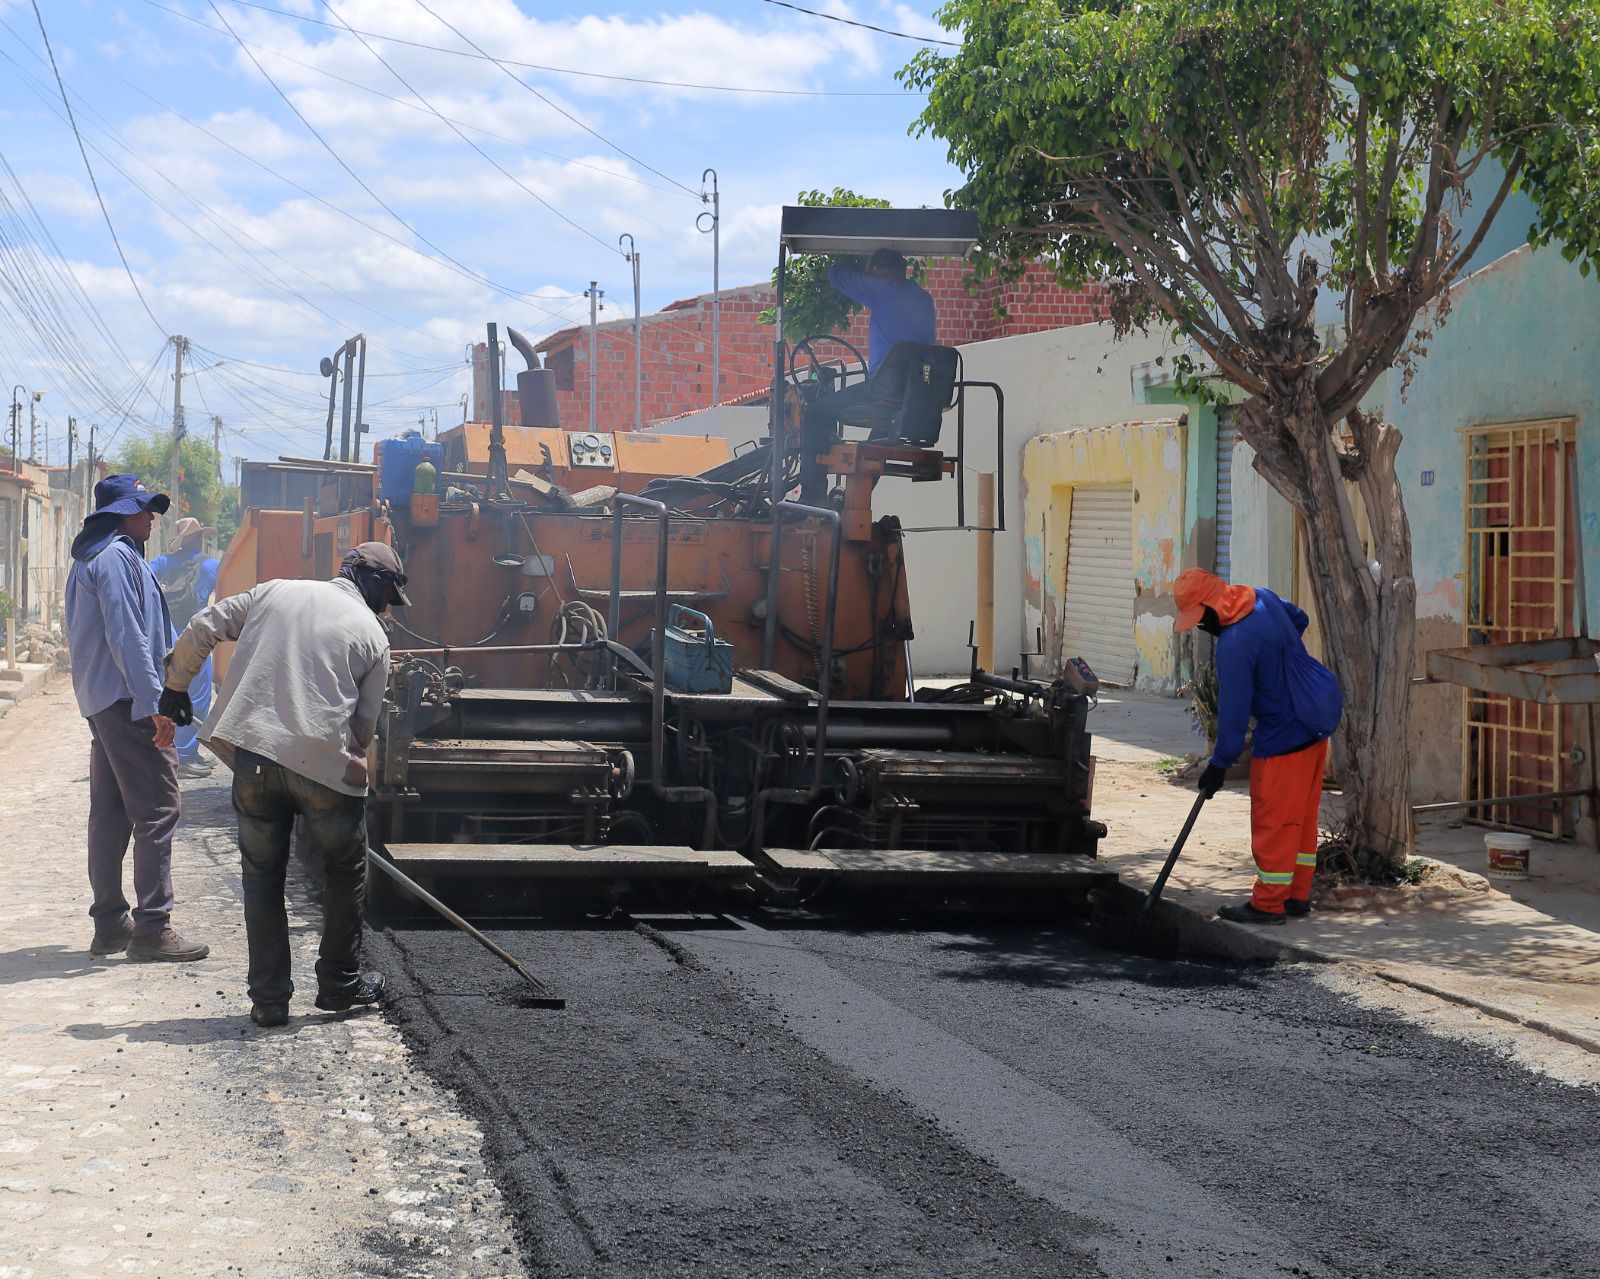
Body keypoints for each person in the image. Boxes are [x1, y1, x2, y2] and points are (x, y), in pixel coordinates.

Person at [160, 543, 405, 1027]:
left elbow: (203, 626)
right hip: (324, 770)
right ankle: (338, 985)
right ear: (373, 585)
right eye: (389, 597)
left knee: (262, 877)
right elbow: (362, 729)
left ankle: (269, 1000)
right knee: (345, 872)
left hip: (255, 761)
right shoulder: (374, 637)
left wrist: (174, 688)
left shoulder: (273, 592)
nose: (387, 608)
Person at [64, 475, 210, 962]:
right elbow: (127, 637)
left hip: (105, 701)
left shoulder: (106, 555)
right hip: (128, 703)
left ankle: (110, 924)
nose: (153, 516)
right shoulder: (113, 558)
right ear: (121, 511)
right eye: (144, 507)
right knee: (157, 810)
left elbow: (148, 631)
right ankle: (151, 927)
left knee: (109, 813)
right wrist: (156, 705)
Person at [1172, 567, 1342, 925]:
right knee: (1301, 818)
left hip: (1284, 735)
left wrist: (1219, 765)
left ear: (1208, 608)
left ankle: (1268, 904)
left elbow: (1233, 720)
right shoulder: (1261, 596)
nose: (1201, 628)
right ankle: (1296, 896)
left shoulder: (1234, 645)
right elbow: (1300, 617)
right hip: (1315, 719)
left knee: (1275, 821)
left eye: (1199, 620)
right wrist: (1280, 662)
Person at [799, 248, 938, 499]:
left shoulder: (882, 290)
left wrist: (850, 263)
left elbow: (836, 275)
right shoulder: (924, 298)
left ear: (882, 272)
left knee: (816, 412)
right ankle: (850, 501)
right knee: (877, 442)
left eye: (871, 274)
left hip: (884, 389)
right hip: (915, 395)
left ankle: (811, 496)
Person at [149, 516, 220, 779]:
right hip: (197, 634)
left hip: (168, 634)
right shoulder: (212, 566)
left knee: (169, 691)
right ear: (198, 538)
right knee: (198, 697)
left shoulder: (163, 563)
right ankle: (185, 756)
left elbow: (143, 580)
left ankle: (175, 751)